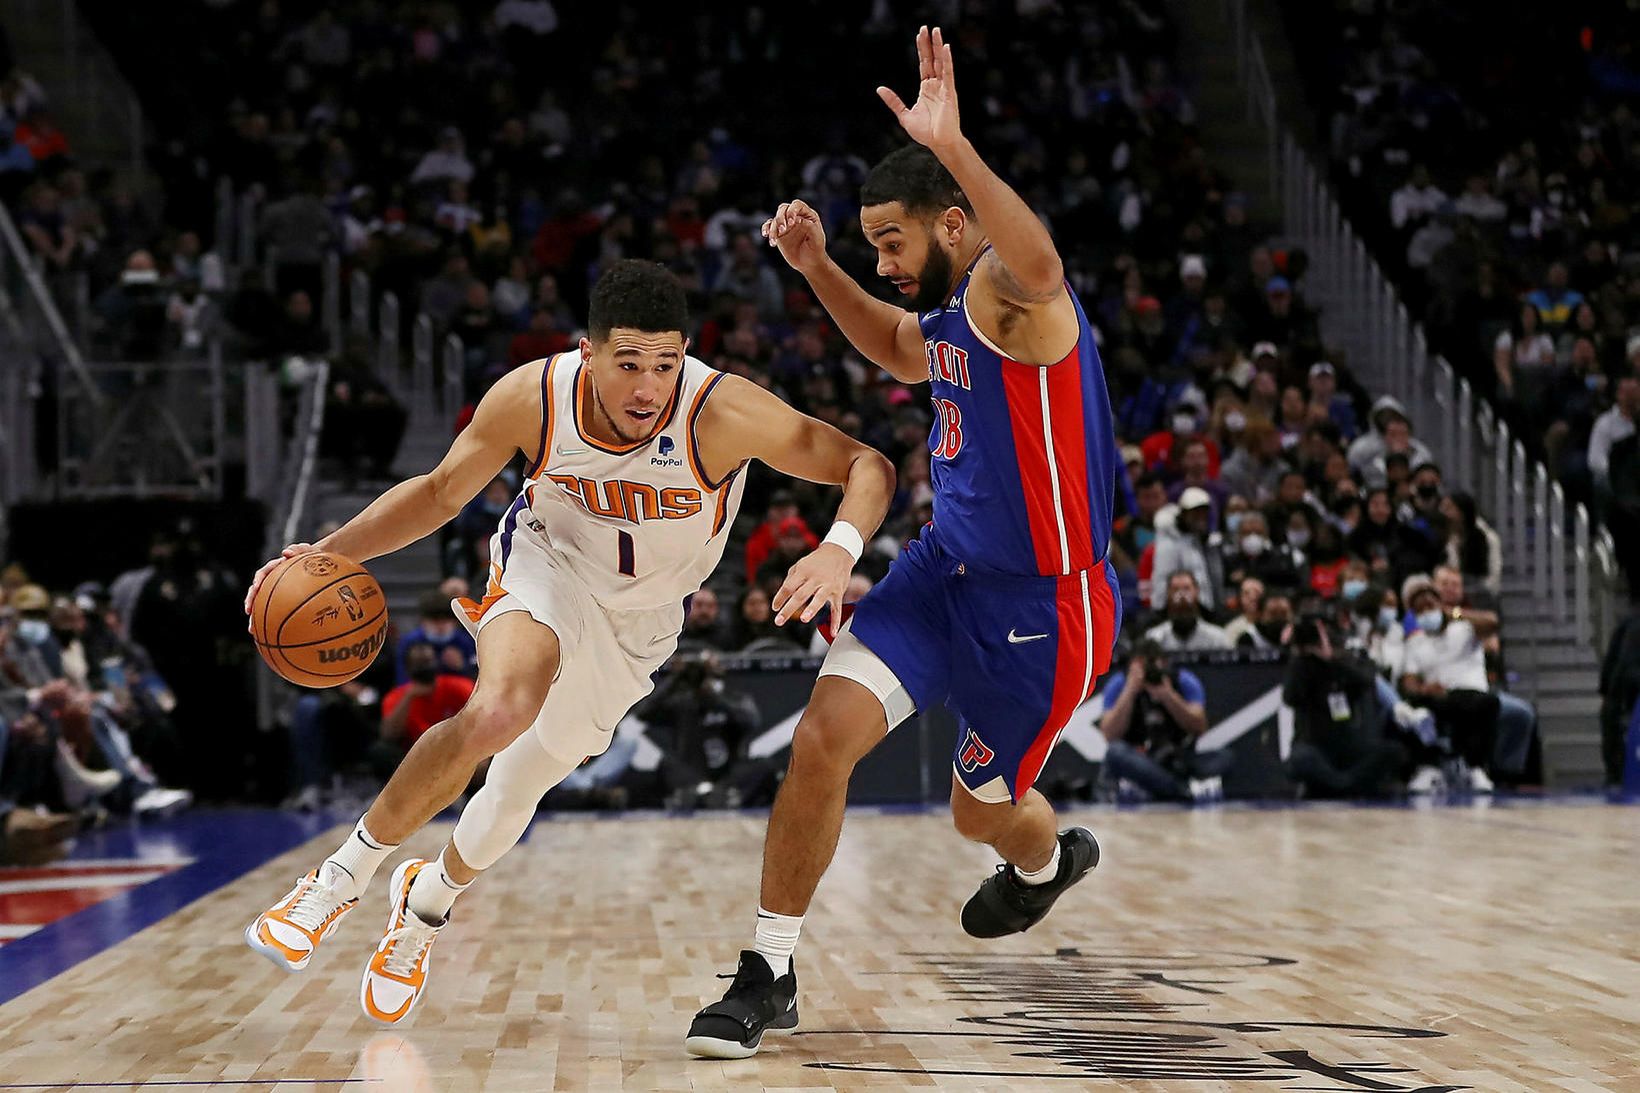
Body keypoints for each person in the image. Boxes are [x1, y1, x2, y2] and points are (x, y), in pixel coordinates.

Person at [241, 260, 895, 1025]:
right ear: (587, 352)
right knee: (498, 710)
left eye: (665, 364)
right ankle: (338, 878)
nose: (648, 388)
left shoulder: (722, 412)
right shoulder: (534, 397)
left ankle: (425, 904)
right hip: (546, 563)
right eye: (628, 364)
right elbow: (439, 492)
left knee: (517, 790)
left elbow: (867, 464)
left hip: (641, 624)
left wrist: (839, 548)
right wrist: (327, 552)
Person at [690, 29, 1119, 1058]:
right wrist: (818, 266)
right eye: (871, 244)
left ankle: (1045, 859)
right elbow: (889, 343)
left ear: (954, 223)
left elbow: (1042, 262)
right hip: (940, 575)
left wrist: (956, 144)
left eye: (891, 241)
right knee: (819, 739)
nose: (883, 260)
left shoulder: (1015, 306)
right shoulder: (945, 318)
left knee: (980, 817)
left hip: (1043, 608)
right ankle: (769, 967)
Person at [1283, 617, 1408, 798]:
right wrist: (1301, 657)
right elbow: (1290, 697)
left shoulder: (1347, 662)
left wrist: (1331, 659)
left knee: (1394, 752)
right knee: (1300, 760)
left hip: (1349, 746)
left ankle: (1336, 785)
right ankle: (1346, 785)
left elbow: (1366, 680)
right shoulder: (1301, 666)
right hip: (1315, 746)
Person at [1098, 639, 1230, 802]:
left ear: (1165, 663)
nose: (1148, 671)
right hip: (1141, 759)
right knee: (1115, 752)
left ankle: (1162, 788)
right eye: (1142, 665)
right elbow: (1109, 734)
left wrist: (1167, 695)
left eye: (1153, 664)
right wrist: (1130, 691)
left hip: (1178, 758)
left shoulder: (1182, 680)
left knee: (1224, 757)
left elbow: (1199, 727)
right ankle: (1179, 790)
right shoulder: (1120, 683)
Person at [1144, 570, 1232, 653]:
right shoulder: (1154, 639)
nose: (1182, 596)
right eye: (1175, 590)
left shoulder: (1218, 639)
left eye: (1187, 589)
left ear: (1197, 592)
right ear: (1168, 594)